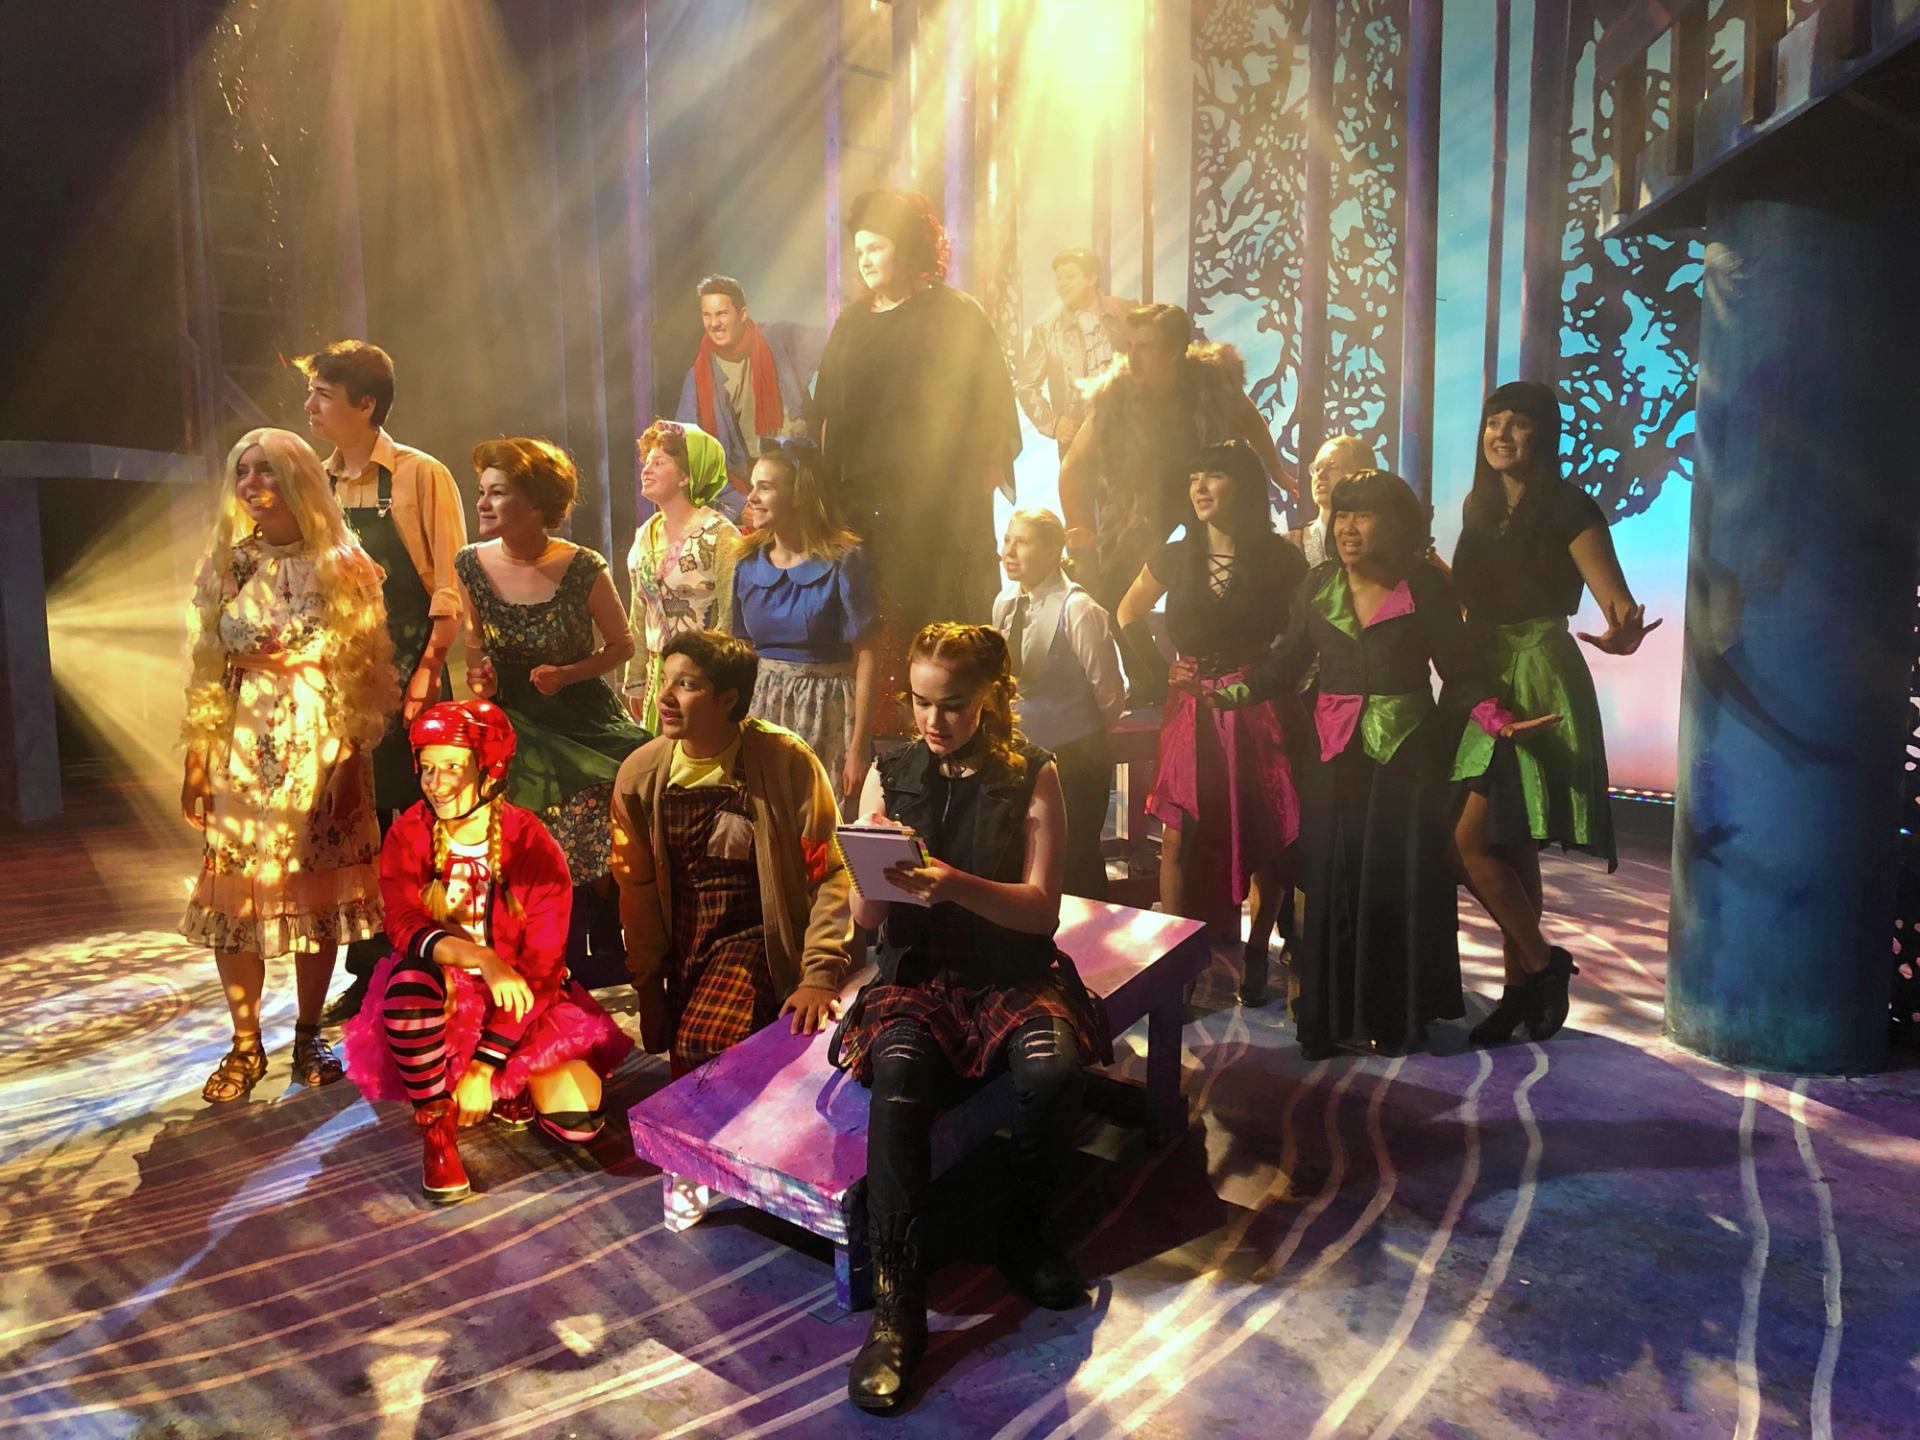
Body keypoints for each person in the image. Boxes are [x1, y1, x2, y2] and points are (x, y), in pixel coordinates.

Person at [834, 623, 1109, 1413]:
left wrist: (953, 883)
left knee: (1052, 1071)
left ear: (991, 695)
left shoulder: (1032, 773)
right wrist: (876, 870)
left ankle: (1025, 1228)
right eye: (920, 702)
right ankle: (897, 1307)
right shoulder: (890, 771)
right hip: (918, 974)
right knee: (899, 1083)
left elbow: (1041, 912)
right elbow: (863, 917)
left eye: (951, 704)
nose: (932, 720)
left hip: (1006, 972)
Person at [1190, 470, 1558, 1057]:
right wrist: (1226, 694)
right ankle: (1330, 1018)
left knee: (1395, 885)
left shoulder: (1426, 589)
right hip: (1332, 756)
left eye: (1363, 514)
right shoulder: (1316, 585)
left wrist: (1496, 718)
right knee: (1331, 883)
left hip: (1407, 760)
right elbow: (1285, 665)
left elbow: (1460, 672)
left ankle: (1394, 1015)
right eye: (1342, 514)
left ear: (1398, 525)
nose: (1347, 527)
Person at [179, 427, 398, 1102]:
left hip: (317, 740)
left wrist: (350, 759)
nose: (251, 483)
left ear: (298, 477)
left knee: (316, 893)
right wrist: (198, 755)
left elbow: (364, 672)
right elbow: (207, 667)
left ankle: (308, 1034)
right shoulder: (228, 563)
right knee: (234, 891)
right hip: (242, 746)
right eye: (242, 471)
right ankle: (245, 1044)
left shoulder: (344, 564)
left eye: (266, 469)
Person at [341, 701, 634, 1202]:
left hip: (522, 1000)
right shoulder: (410, 831)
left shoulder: (532, 843)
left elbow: (542, 968)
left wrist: (483, 1067)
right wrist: (481, 958)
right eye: (427, 768)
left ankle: (507, 1084)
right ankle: (437, 1132)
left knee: (578, 1122)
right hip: (444, 996)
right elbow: (402, 924)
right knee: (407, 983)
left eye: (452, 767)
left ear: (489, 770)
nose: (436, 784)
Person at [610, 631, 854, 1227]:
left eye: (687, 685)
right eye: (665, 680)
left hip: (756, 941)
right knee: (679, 1058)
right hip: (684, 941)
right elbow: (636, 889)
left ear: (728, 699)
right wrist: (647, 984)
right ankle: (693, 1177)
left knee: (708, 1042)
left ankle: (761, 1182)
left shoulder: (785, 762)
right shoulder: (642, 774)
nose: (666, 697)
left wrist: (819, 971)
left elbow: (830, 872)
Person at [1449, 381, 1660, 1045]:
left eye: (1519, 423)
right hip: (1483, 672)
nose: (1502, 434)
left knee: (1468, 840)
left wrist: (1623, 637)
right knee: (1506, 841)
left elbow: (1617, 606)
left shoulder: (1570, 505)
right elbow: (1471, 600)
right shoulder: (1478, 507)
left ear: (1545, 434)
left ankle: (1539, 968)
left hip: (1539, 673)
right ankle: (1524, 987)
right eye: (1494, 421)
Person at [300, 340, 469, 1024]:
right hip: (341, 679)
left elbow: (450, 587)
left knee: (417, 823)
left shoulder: (419, 475)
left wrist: (427, 670)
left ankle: (430, 964)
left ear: (366, 404)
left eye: (322, 394)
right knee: (354, 827)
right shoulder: (316, 483)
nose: (309, 406)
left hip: (411, 670)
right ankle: (368, 971)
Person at [812, 187, 1023, 731]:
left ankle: (975, 730)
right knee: (886, 621)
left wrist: (987, 469)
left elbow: (993, 399)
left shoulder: (956, 312)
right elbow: (825, 411)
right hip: (867, 502)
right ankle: (897, 736)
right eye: (860, 250)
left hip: (943, 500)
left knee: (952, 613)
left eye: (877, 248)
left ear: (906, 247)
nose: (865, 260)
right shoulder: (852, 323)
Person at [1115, 441, 1309, 1004]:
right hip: (1192, 706)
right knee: (1179, 829)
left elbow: (1301, 636)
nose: (1199, 486)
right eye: (1193, 476)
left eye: (1214, 475)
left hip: (1259, 706)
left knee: (1267, 829)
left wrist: (1271, 672)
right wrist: (1159, 671)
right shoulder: (1176, 555)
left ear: (1243, 485)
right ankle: (1174, 963)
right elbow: (1126, 611)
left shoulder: (1281, 560)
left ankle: (1257, 949)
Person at [457, 438, 648, 891]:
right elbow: (474, 644)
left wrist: (567, 674)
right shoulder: (469, 564)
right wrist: (480, 679)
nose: (481, 503)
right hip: (512, 721)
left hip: (581, 719)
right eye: (481, 491)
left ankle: (603, 925)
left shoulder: (582, 567)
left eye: (497, 493)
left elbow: (622, 646)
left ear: (536, 504)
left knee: (611, 802)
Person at [1058, 303, 1300, 623]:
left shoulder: (1211, 380)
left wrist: (1277, 470)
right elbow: (1072, 467)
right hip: (1143, 502)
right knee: (1113, 590)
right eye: (1129, 345)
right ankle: (1130, 650)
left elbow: (1250, 420)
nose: (1132, 358)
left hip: (1204, 490)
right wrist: (1077, 526)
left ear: (1174, 350)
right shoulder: (1115, 395)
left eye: (1145, 347)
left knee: (1228, 566)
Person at [727, 438, 880, 809]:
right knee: (766, 821)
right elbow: (740, 651)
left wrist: (858, 747)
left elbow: (867, 655)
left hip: (828, 709)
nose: (751, 498)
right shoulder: (747, 563)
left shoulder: (844, 560)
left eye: (765, 487)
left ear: (798, 495)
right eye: (753, 486)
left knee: (822, 822)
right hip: (762, 708)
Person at [993, 507, 1126, 899]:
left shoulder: (1078, 608)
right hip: (1019, 754)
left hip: (1076, 756)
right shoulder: (1005, 602)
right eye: (1007, 541)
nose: (1008, 552)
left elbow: (1110, 693)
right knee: (1025, 856)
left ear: (1053, 550)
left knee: (1076, 859)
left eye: (1022, 542)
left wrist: (1077, 730)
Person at [623, 420, 742, 733]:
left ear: (686, 475)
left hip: (700, 678)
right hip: (657, 674)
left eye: (659, 462)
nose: (647, 470)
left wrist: (714, 675)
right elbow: (639, 610)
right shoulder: (645, 534)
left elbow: (730, 614)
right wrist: (636, 679)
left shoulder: (719, 535)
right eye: (647, 462)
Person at [675, 274, 825, 519]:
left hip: (802, 479)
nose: (714, 323)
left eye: (721, 313)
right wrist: (737, 507)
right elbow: (692, 457)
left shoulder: (778, 339)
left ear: (742, 313)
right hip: (749, 491)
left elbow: (838, 348)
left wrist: (829, 421)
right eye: (707, 315)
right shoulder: (697, 378)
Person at [1015, 248, 1132, 458]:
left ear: (1091, 278)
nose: (1062, 284)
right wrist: (1054, 423)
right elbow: (1026, 386)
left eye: (1070, 276)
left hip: (1127, 432)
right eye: (1059, 278)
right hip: (1077, 439)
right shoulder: (1047, 330)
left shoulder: (1124, 313)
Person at [1290, 434, 1377, 566]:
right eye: (1317, 468)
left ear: (1362, 475)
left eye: (1333, 467)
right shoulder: (1291, 544)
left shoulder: (1376, 544)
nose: (1321, 474)